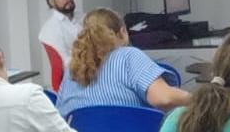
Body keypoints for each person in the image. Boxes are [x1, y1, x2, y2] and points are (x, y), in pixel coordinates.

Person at [56, 7, 191, 116]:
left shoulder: (72, 69)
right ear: (123, 32)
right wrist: (197, 99)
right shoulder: (128, 56)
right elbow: (164, 98)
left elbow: (61, 113)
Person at [38, 0, 81, 66]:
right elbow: (65, 62)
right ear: (52, 2)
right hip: (76, 71)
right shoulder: (50, 28)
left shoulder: (83, 17)